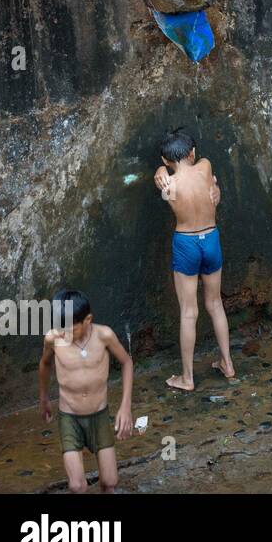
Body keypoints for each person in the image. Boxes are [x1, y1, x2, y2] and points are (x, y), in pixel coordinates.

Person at [153, 128, 234, 391]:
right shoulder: (206, 166)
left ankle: (187, 378)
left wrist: (161, 172)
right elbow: (209, 182)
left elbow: (166, 187)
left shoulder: (168, 184)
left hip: (186, 243)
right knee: (215, 303)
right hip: (211, 239)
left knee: (189, 313)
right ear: (193, 152)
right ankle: (228, 363)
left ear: (166, 160)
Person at [38, 289, 134, 493]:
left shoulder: (104, 335)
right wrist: (44, 397)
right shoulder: (53, 339)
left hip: (99, 415)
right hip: (69, 416)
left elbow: (126, 362)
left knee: (110, 481)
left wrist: (125, 408)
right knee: (77, 485)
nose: (64, 334)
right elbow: (45, 365)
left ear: (87, 320)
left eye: (70, 329)